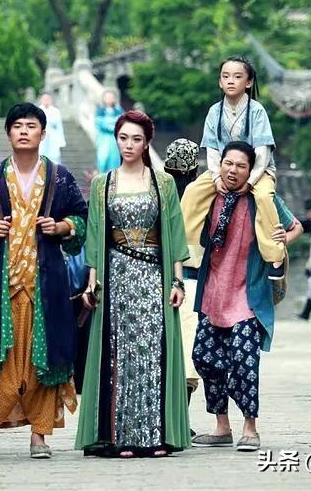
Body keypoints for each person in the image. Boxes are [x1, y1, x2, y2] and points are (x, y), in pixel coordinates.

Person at [0, 103, 88, 462]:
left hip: (46, 285)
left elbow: (81, 218)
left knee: (41, 361)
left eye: (31, 126)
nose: (24, 131)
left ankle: (39, 435)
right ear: (8, 133)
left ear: (43, 133)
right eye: (17, 126)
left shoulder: (59, 177)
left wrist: (61, 227)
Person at [76, 110, 191, 458]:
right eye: (123, 138)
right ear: (116, 139)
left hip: (154, 275)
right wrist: (92, 283)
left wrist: (177, 282)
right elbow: (95, 236)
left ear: (147, 143)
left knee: (153, 350)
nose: (129, 145)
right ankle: (121, 437)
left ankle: (156, 436)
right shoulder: (103, 184)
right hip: (117, 277)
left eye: (136, 139)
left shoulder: (163, 183)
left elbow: (175, 232)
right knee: (120, 353)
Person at [190, 141, 302, 453]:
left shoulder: (262, 199)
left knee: (243, 360)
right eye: (228, 163)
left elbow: (296, 227)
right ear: (220, 164)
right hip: (214, 292)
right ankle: (222, 426)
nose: (233, 170)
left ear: (250, 170)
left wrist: (282, 239)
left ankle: (250, 428)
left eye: (241, 166)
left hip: (247, 295)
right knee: (204, 357)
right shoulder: (210, 196)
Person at [180, 57, 284, 280]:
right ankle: (190, 256)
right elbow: (212, 150)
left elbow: (263, 151)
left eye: (237, 77)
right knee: (192, 192)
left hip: (256, 170)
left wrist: (250, 181)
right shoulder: (214, 112)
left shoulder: (257, 111)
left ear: (248, 82)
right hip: (223, 169)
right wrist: (217, 178)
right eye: (225, 76)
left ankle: (275, 256)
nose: (230, 81)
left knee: (264, 197)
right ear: (219, 82)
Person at [162, 138, 202, 419]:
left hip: (160, 279)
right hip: (192, 281)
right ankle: (179, 419)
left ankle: (164, 418)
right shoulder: (202, 195)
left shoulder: (159, 193)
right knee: (187, 352)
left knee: (164, 351)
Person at [95, 89, 124, 173]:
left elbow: (122, 123)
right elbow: (100, 124)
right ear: (103, 99)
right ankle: (102, 177)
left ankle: (113, 178)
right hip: (103, 138)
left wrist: (111, 124)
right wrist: (113, 125)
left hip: (115, 139)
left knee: (114, 160)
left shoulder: (119, 111)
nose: (109, 99)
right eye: (107, 97)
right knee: (102, 159)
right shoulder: (100, 112)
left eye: (111, 97)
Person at [38, 92, 66, 164]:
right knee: (41, 158)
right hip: (41, 137)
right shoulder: (37, 111)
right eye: (44, 99)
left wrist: (61, 141)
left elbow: (59, 127)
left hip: (53, 137)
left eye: (48, 99)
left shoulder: (56, 111)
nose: (46, 100)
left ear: (51, 100)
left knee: (54, 158)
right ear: (41, 100)